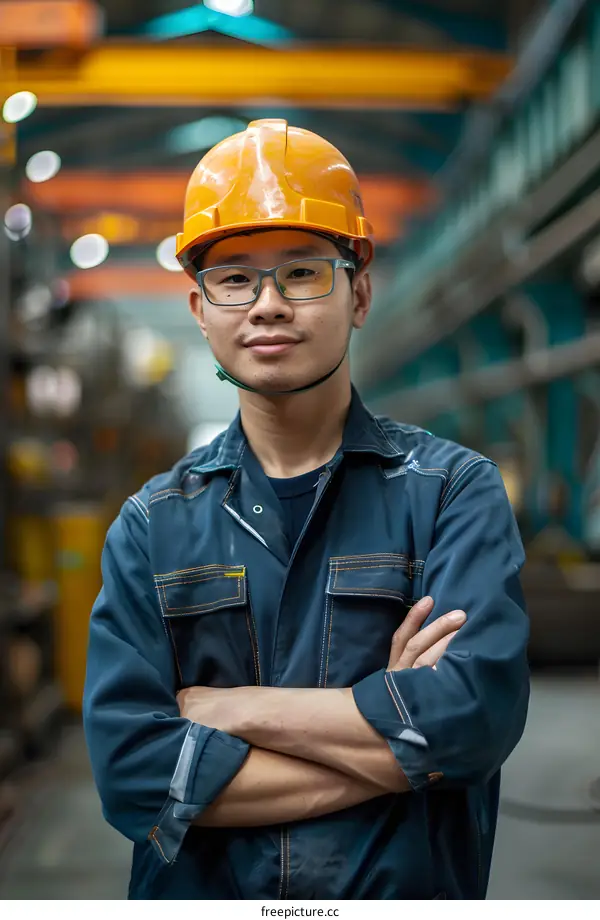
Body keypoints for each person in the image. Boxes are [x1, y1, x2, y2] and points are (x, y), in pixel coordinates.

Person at [83, 119, 530, 900]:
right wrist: (393, 744)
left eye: (301, 273)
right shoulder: (152, 526)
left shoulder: (452, 492)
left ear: (358, 292)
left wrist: (232, 709)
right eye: (234, 279)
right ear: (198, 307)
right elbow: (133, 779)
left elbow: (470, 724)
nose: (266, 305)